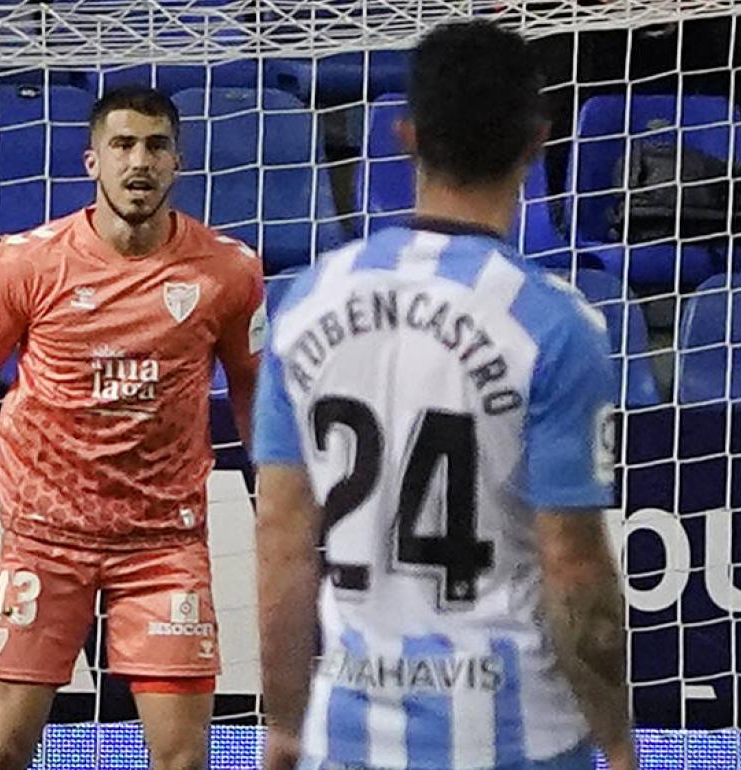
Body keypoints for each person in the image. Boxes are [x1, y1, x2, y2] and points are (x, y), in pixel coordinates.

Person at [252, 20, 635, 770]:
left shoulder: (307, 299)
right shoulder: (555, 324)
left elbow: (282, 540)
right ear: (536, 140)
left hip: (353, 733)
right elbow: (575, 572)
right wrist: (617, 740)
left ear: (405, 135)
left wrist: (287, 726)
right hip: (519, 737)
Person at [0, 86, 265, 770]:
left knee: (182, 758)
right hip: (44, 538)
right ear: (93, 161)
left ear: (178, 161)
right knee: (0, 751)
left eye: (155, 145)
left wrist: (281, 503)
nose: (138, 161)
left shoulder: (229, 271)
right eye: (122, 145)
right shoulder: (27, 262)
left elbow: (253, 391)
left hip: (163, 544)